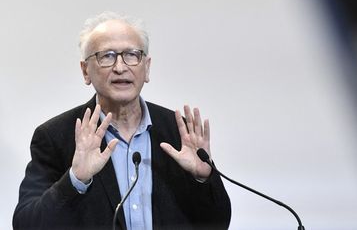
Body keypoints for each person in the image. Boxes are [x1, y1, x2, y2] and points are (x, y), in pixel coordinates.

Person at [13, 12, 231, 230]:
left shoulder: (178, 133)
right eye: (106, 56)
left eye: (132, 55)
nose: (120, 67)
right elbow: (26, 224)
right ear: (85, 71)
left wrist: (203, 179)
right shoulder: (56, 136)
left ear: (146, 67)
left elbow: (217, 224)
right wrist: (75, 180)